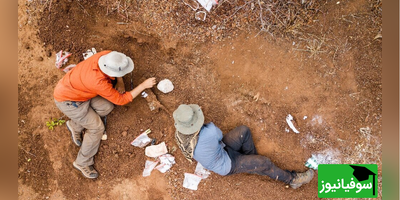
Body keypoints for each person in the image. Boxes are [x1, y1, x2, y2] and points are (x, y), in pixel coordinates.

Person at [53, 50, 156, 179]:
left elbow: (116, 71)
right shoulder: (98, 82)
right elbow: (122, 100)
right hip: (69, 101)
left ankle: (75, 126)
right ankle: (82, 162)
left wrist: (120, 81)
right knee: (97, 128)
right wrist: (142, 86)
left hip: (80, 90)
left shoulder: (107, 55)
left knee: (106, 107)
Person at [173, 104, 314, 189]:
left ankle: (252, 163)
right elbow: (219, 136)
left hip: (219, 150)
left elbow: (216, 141)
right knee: (264, 162)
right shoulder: (209, 131)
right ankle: (292, 180)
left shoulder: (180, 135)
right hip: (225, 164)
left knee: (243, 131)